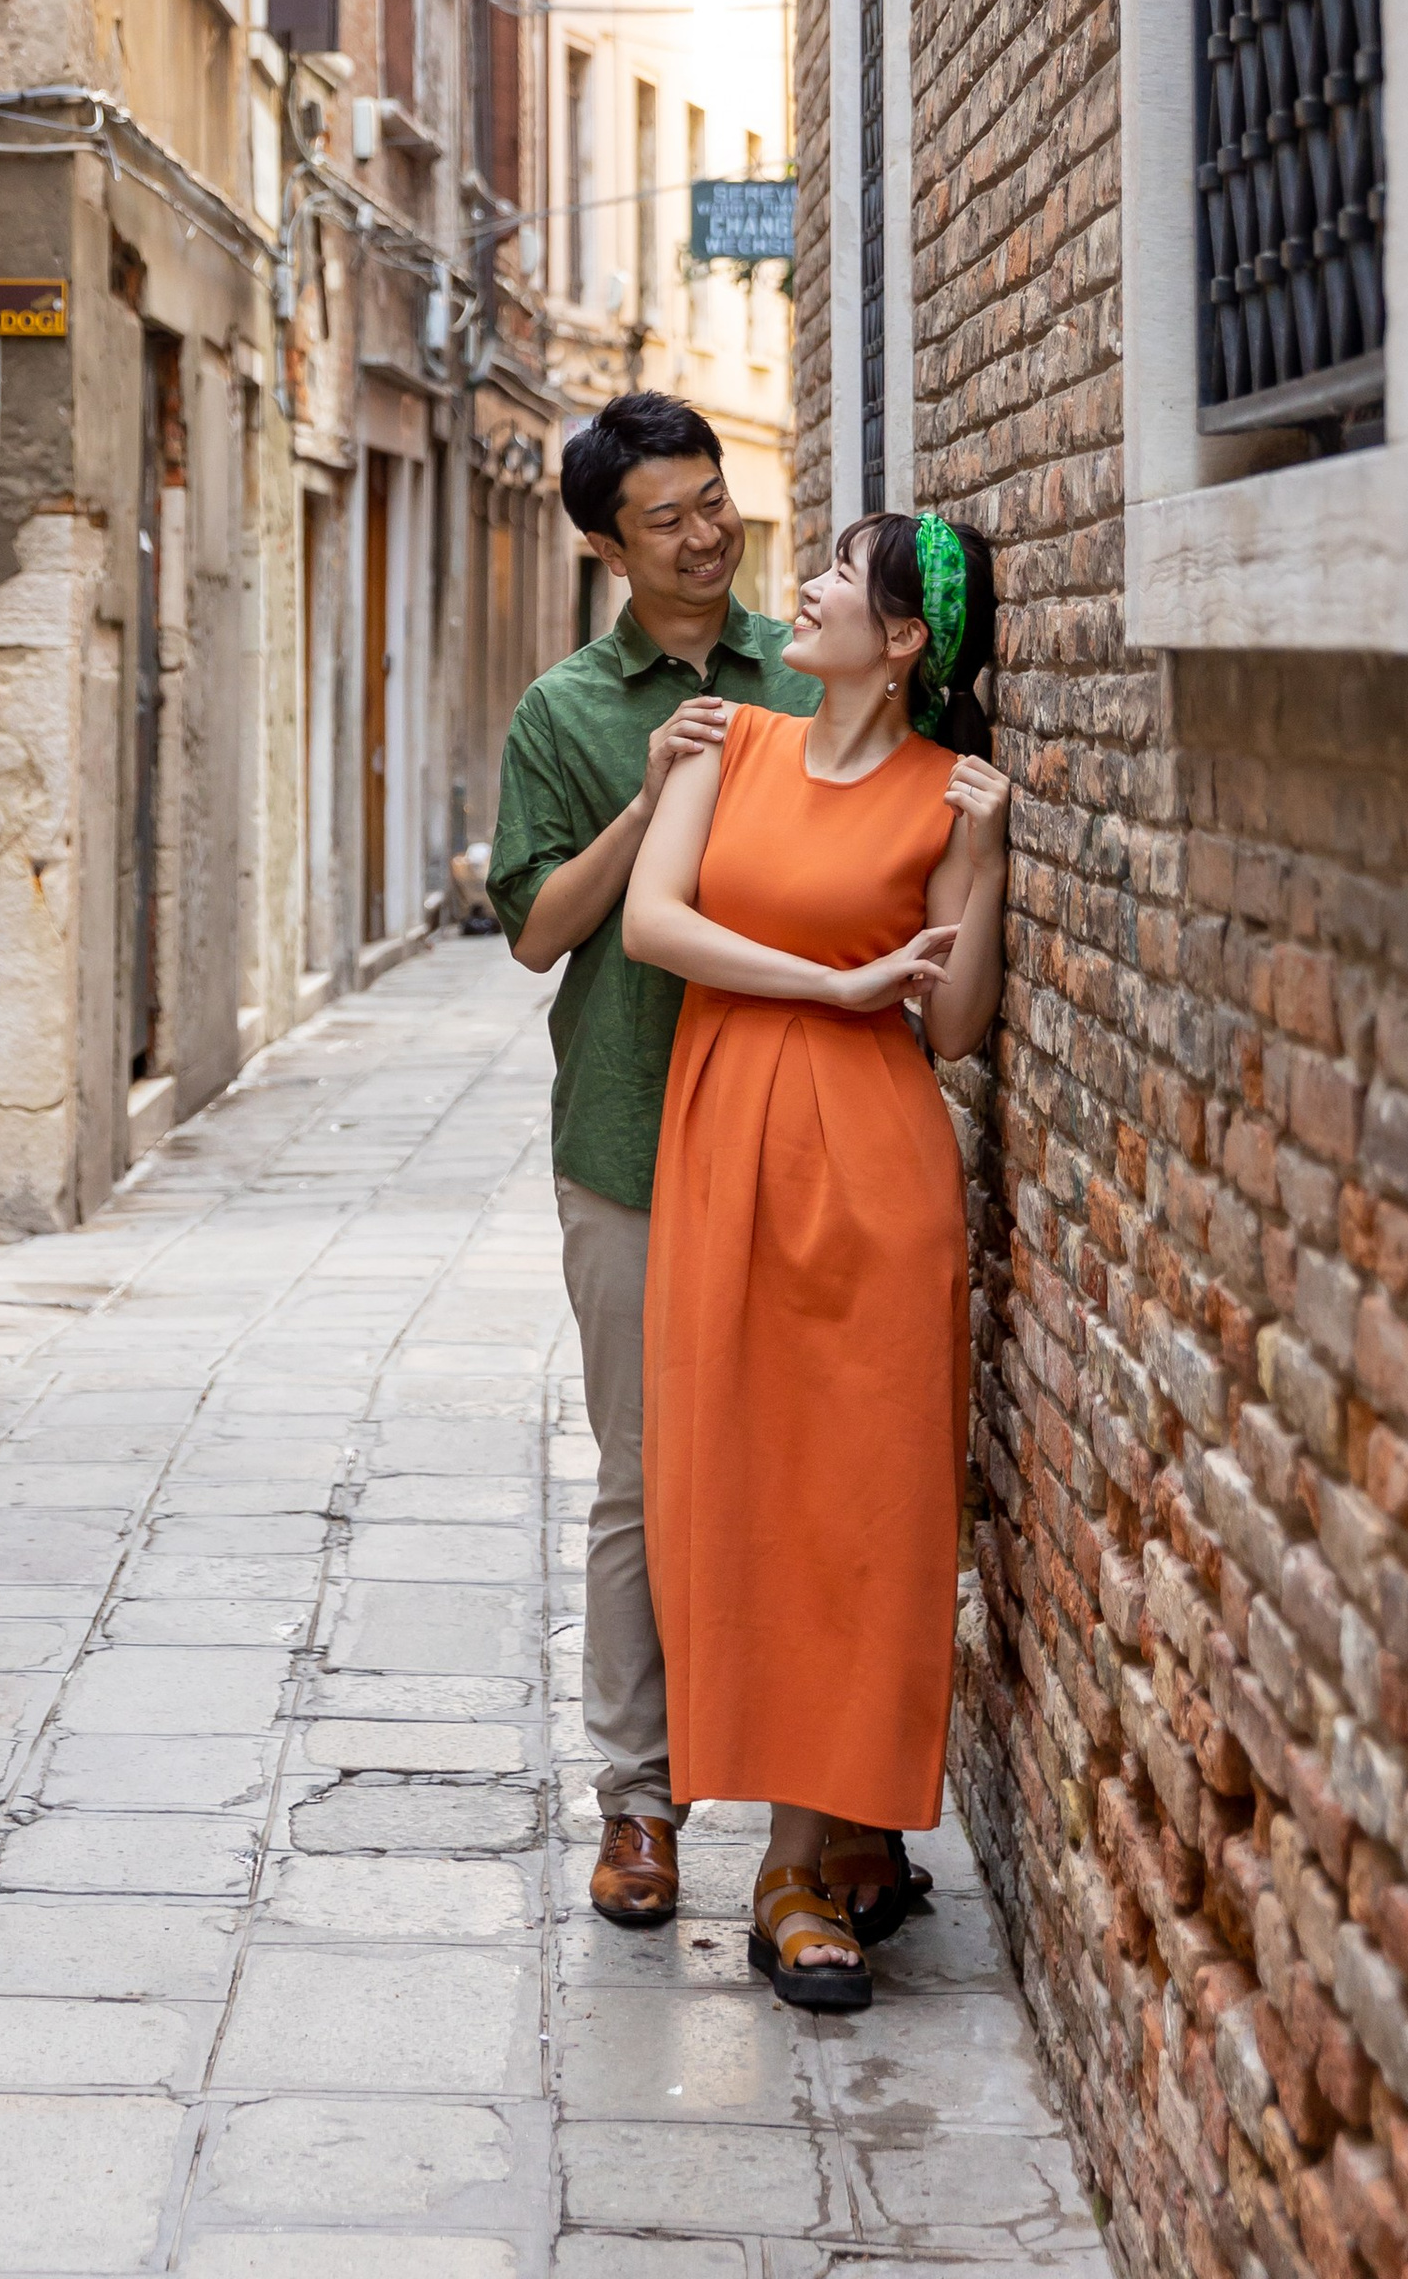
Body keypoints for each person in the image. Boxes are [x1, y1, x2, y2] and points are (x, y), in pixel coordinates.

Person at [622, 508, 1010, 2010]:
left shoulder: (941, 798)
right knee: (741, 1484)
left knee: (863, 1497)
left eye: (838, 577)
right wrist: (831, 980)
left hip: (877, 1169)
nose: (806, 587)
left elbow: (958, 1026)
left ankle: (801, 1864)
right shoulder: (731, 739)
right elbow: (658, 927)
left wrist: (976, 852)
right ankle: (814, 1837)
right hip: (726, 1145)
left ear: (903, 641)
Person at [487, 392, 819, 1930]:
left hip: (794, 1136)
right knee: (643, 1480)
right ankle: (638, 1806)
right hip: (627, 1136)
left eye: (715, 501)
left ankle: (818, 1820)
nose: (707, 535)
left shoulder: (809, 679)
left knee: (793, 1465)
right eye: (669, 518)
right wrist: (650, 797)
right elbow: (541, 933)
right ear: (607, 544)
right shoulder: (564, 712)